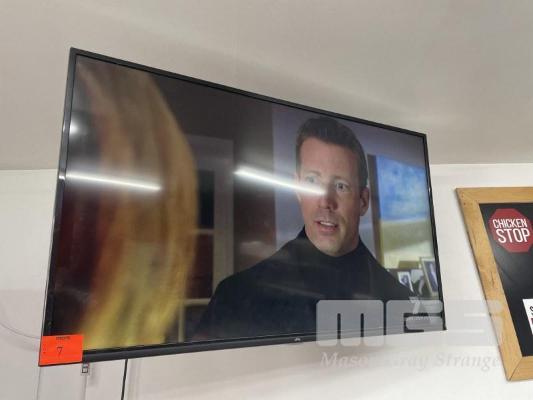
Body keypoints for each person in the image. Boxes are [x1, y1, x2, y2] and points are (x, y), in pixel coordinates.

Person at [194, 117, 414, 340]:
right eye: (312, 182)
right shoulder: (234, 298)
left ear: (363, 201)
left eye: (341, 186)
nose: (325, 201)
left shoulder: (403, 304)